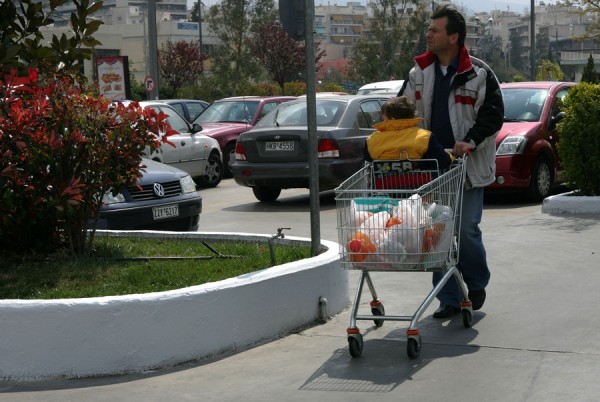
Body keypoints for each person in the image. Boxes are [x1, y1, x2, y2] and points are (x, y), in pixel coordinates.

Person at [398, 5, 504, 318]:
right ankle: (449, 298)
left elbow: (493, 115)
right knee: (438, 233)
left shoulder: (478, 72)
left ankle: (476, 282)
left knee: (467, 229)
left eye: (435, 30)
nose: (428, 35)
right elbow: (403, 110)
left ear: (453, 37)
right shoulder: (419, 73)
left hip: (466, 167)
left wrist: (469, 141)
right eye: (428, 30)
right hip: (432, 169)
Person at [364, 96, 453, 170]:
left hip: (384, 187)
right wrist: (452, 156)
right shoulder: (424, 137)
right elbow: (442, 162)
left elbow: (369, 161)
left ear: (391, 118)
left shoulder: (372, 140)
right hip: (421, 186)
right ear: (412, 115)